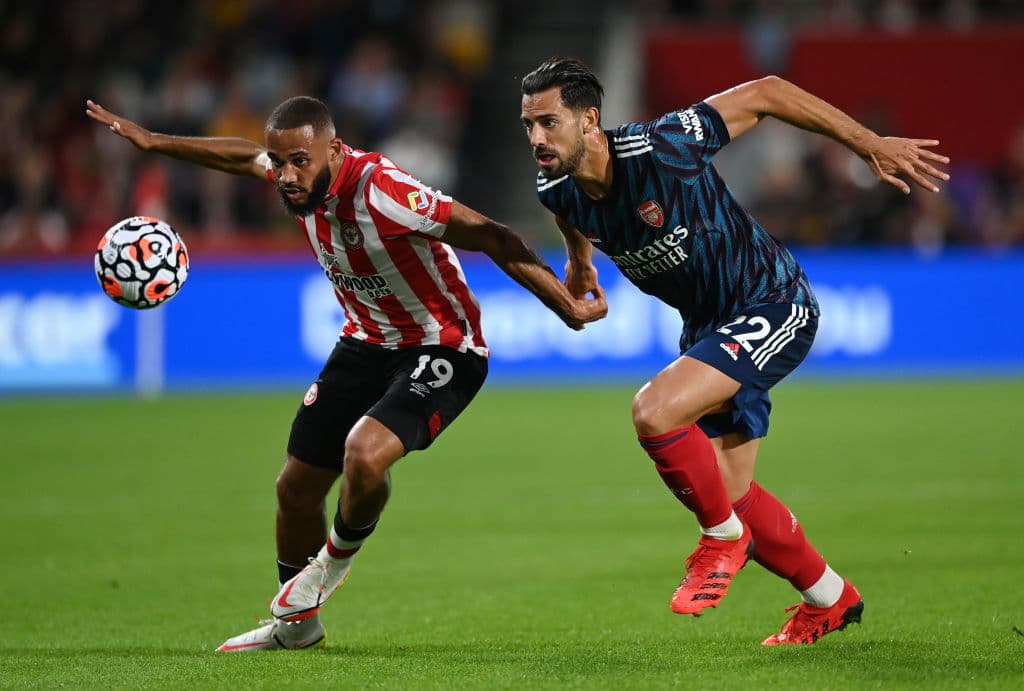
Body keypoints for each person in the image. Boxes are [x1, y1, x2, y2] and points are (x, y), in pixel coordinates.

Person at [86, 95, 607, 652]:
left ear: (332, 150)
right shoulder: (296, 175)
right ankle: (297, 629)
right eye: (279, 161)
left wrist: (566, 303)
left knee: (365, 452)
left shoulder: (384, 191)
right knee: (295, 488)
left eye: (298, 162)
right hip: (365, 342)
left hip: (444, 346)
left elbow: (494, 235)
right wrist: (153, 140)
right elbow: (242, 158)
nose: (285, 175)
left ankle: (327, 571)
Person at [519, 58, 949, 645]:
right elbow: (570, 212)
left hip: (772, 303)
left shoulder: (661, 146)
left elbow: (767, 92)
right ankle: (829, 599)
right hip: (708, 330)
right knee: (730, 493)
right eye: (528, 126)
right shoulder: (555, 187)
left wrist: (867, 143)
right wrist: (578, 260)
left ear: (590, 119)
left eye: (549, 122)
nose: (537, 139)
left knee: (655, 410)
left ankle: (721, 540)